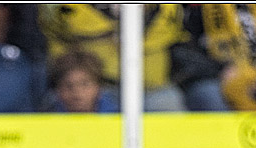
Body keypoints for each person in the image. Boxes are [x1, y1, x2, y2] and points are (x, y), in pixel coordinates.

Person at [38, 4, 190, 112]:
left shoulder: (163, 8)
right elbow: (57, 35)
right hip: (96, 83)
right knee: (70, 100)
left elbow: (170, 29)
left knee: (168, 104)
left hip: (150, 87)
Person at [47, 50, 118, 113]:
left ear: (99, 86)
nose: (77, 92)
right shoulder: (47, 117)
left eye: (85, 84)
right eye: (68, 85)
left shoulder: (120, 117)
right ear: (57, 90)